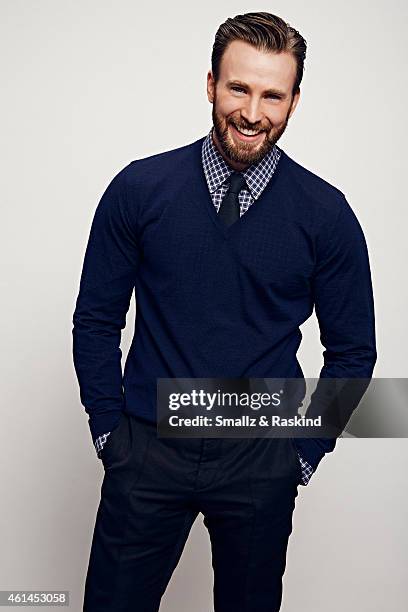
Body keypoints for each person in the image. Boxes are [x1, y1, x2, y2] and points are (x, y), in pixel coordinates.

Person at [72, 11, 377, 612]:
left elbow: (354, 352)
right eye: (239, 88)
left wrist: (302, 455)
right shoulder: (139, 190)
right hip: (147, 448)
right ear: (210, 84)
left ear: (294, 101)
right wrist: (110, 431)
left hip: (261, 454)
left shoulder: (325, 215)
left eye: (273, 95)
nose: (253, 113)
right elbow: (96, 320)